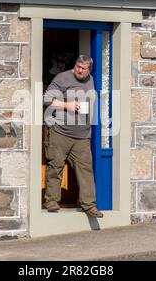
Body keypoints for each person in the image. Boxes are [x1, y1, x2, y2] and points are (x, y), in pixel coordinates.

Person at [43, 54, 104, 218]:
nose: (80, 70)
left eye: (83, 68)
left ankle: (88, 204)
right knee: (55, 167)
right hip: (60, 132)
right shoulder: (62, 78)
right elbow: (46, 98)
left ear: (89, 69)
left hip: (82, 135)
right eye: (78, 66)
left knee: (86, 169)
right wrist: (66, 105)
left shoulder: (91, 79)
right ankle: (52, 201)